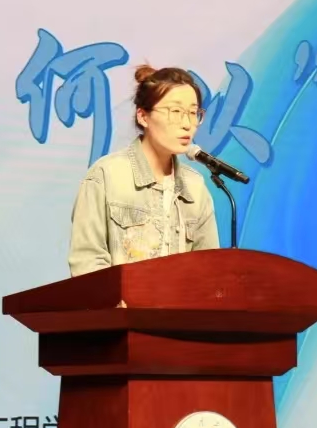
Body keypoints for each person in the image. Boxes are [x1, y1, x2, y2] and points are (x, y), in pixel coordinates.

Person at [68, 64, 220, 276]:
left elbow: (209, 270)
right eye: (176, 111)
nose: (187, 124)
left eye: (193, 113)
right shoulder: (106, 175)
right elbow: (86, 263)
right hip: (122, 299)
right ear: (143, 116)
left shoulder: (195, 187)